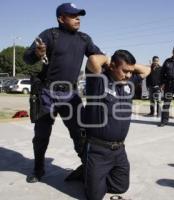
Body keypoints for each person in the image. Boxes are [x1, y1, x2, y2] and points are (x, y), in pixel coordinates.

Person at [23, 3, 101, 183]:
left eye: (79, 15)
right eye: (73, 15)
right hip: (47, 92)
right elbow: (27, 58)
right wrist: (36, 53)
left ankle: (88, 167)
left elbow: (98, 57)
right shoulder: (50, 35)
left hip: (70, 94)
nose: (78, 18)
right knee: (41, 134)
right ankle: (38, 169)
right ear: (61, 18)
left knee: (80, 132)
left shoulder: (84, 39)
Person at [82, 50, 150, 200]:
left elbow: (147, 70)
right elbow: (92, 59)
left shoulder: (128, 83)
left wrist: (129, 66)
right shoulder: (98, 80)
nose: (128, 75)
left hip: (119, 151)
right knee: (94, 197)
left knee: (121, 187)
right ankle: (89, 173)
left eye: (131, 72)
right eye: (125, 71)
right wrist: (107, 60)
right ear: (112, 66)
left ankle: (95, 176)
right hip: (98, 150)